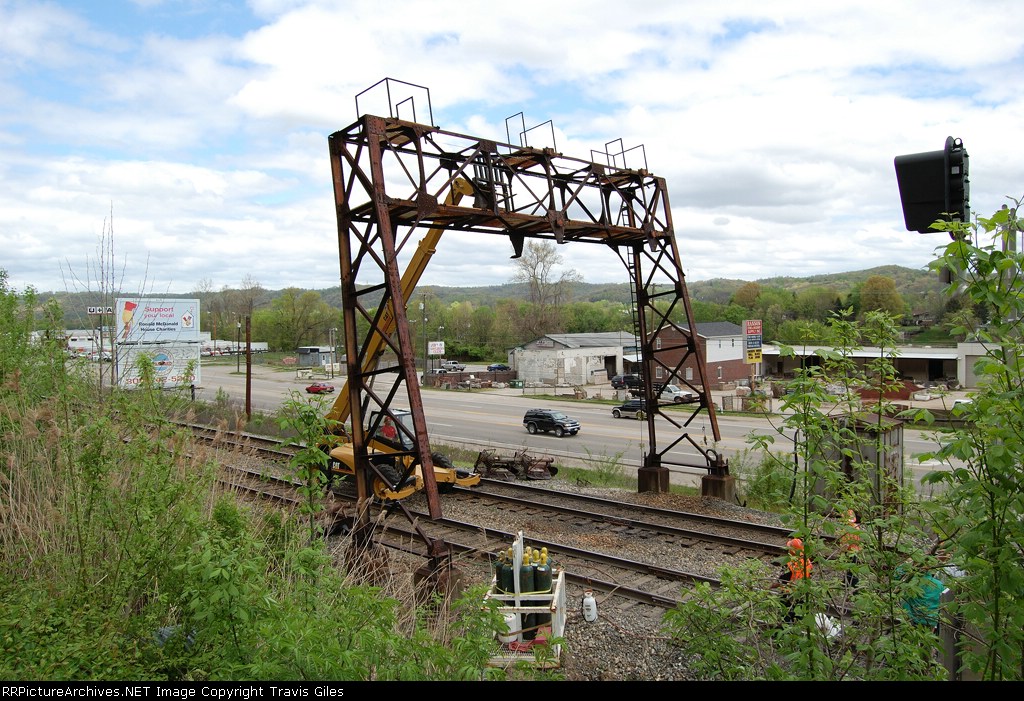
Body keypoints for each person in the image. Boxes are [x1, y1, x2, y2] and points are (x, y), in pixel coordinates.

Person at [771, 537, 814, 622]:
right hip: (802, 591)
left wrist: (770, 587)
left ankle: (784, 626)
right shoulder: (807, 561)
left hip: (789, 592)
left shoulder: (789, 564)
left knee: (786, 614)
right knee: (798, 611)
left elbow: (782, 582)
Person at [839, 510, 861, 588]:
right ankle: (846, 582)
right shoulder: (856, 527)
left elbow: (846, 543)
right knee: (851, 568)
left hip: (849, 551)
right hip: (855, 550)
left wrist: (842, 551)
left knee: (850, 568)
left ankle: (853, 585)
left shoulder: (847, 529)